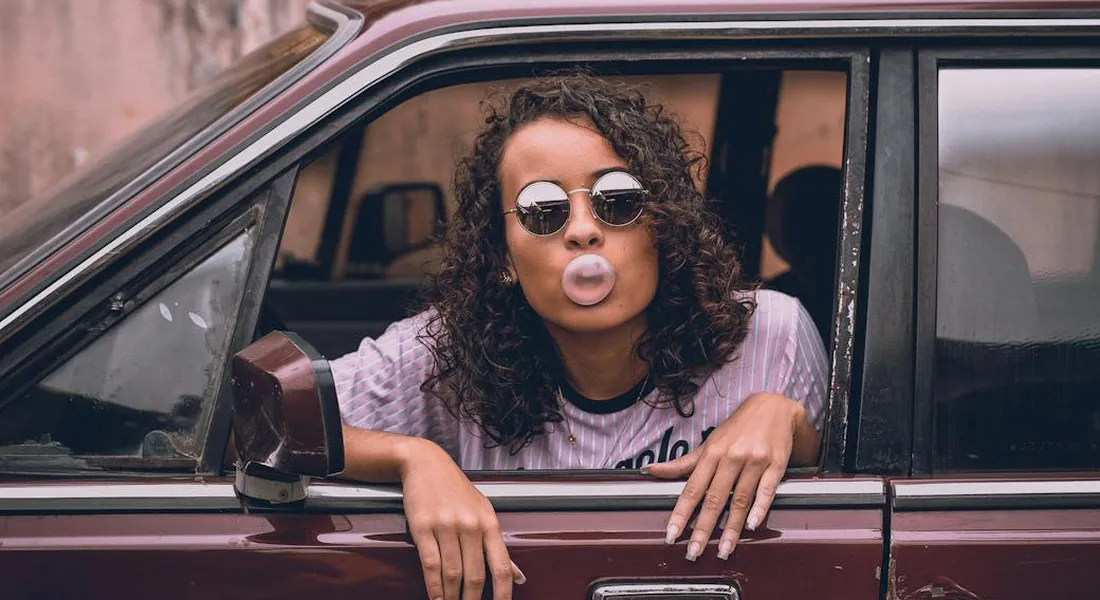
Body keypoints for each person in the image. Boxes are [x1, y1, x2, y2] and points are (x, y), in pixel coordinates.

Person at [330, 72, 828, 600]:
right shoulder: (446, 351)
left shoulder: (771, 336)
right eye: (543, 211)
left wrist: (786, 420)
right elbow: (261, 426)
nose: (583, 230)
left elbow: (859, 492)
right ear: (504, 256)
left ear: (662, 226)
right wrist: (412, 457)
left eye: (617, 201)